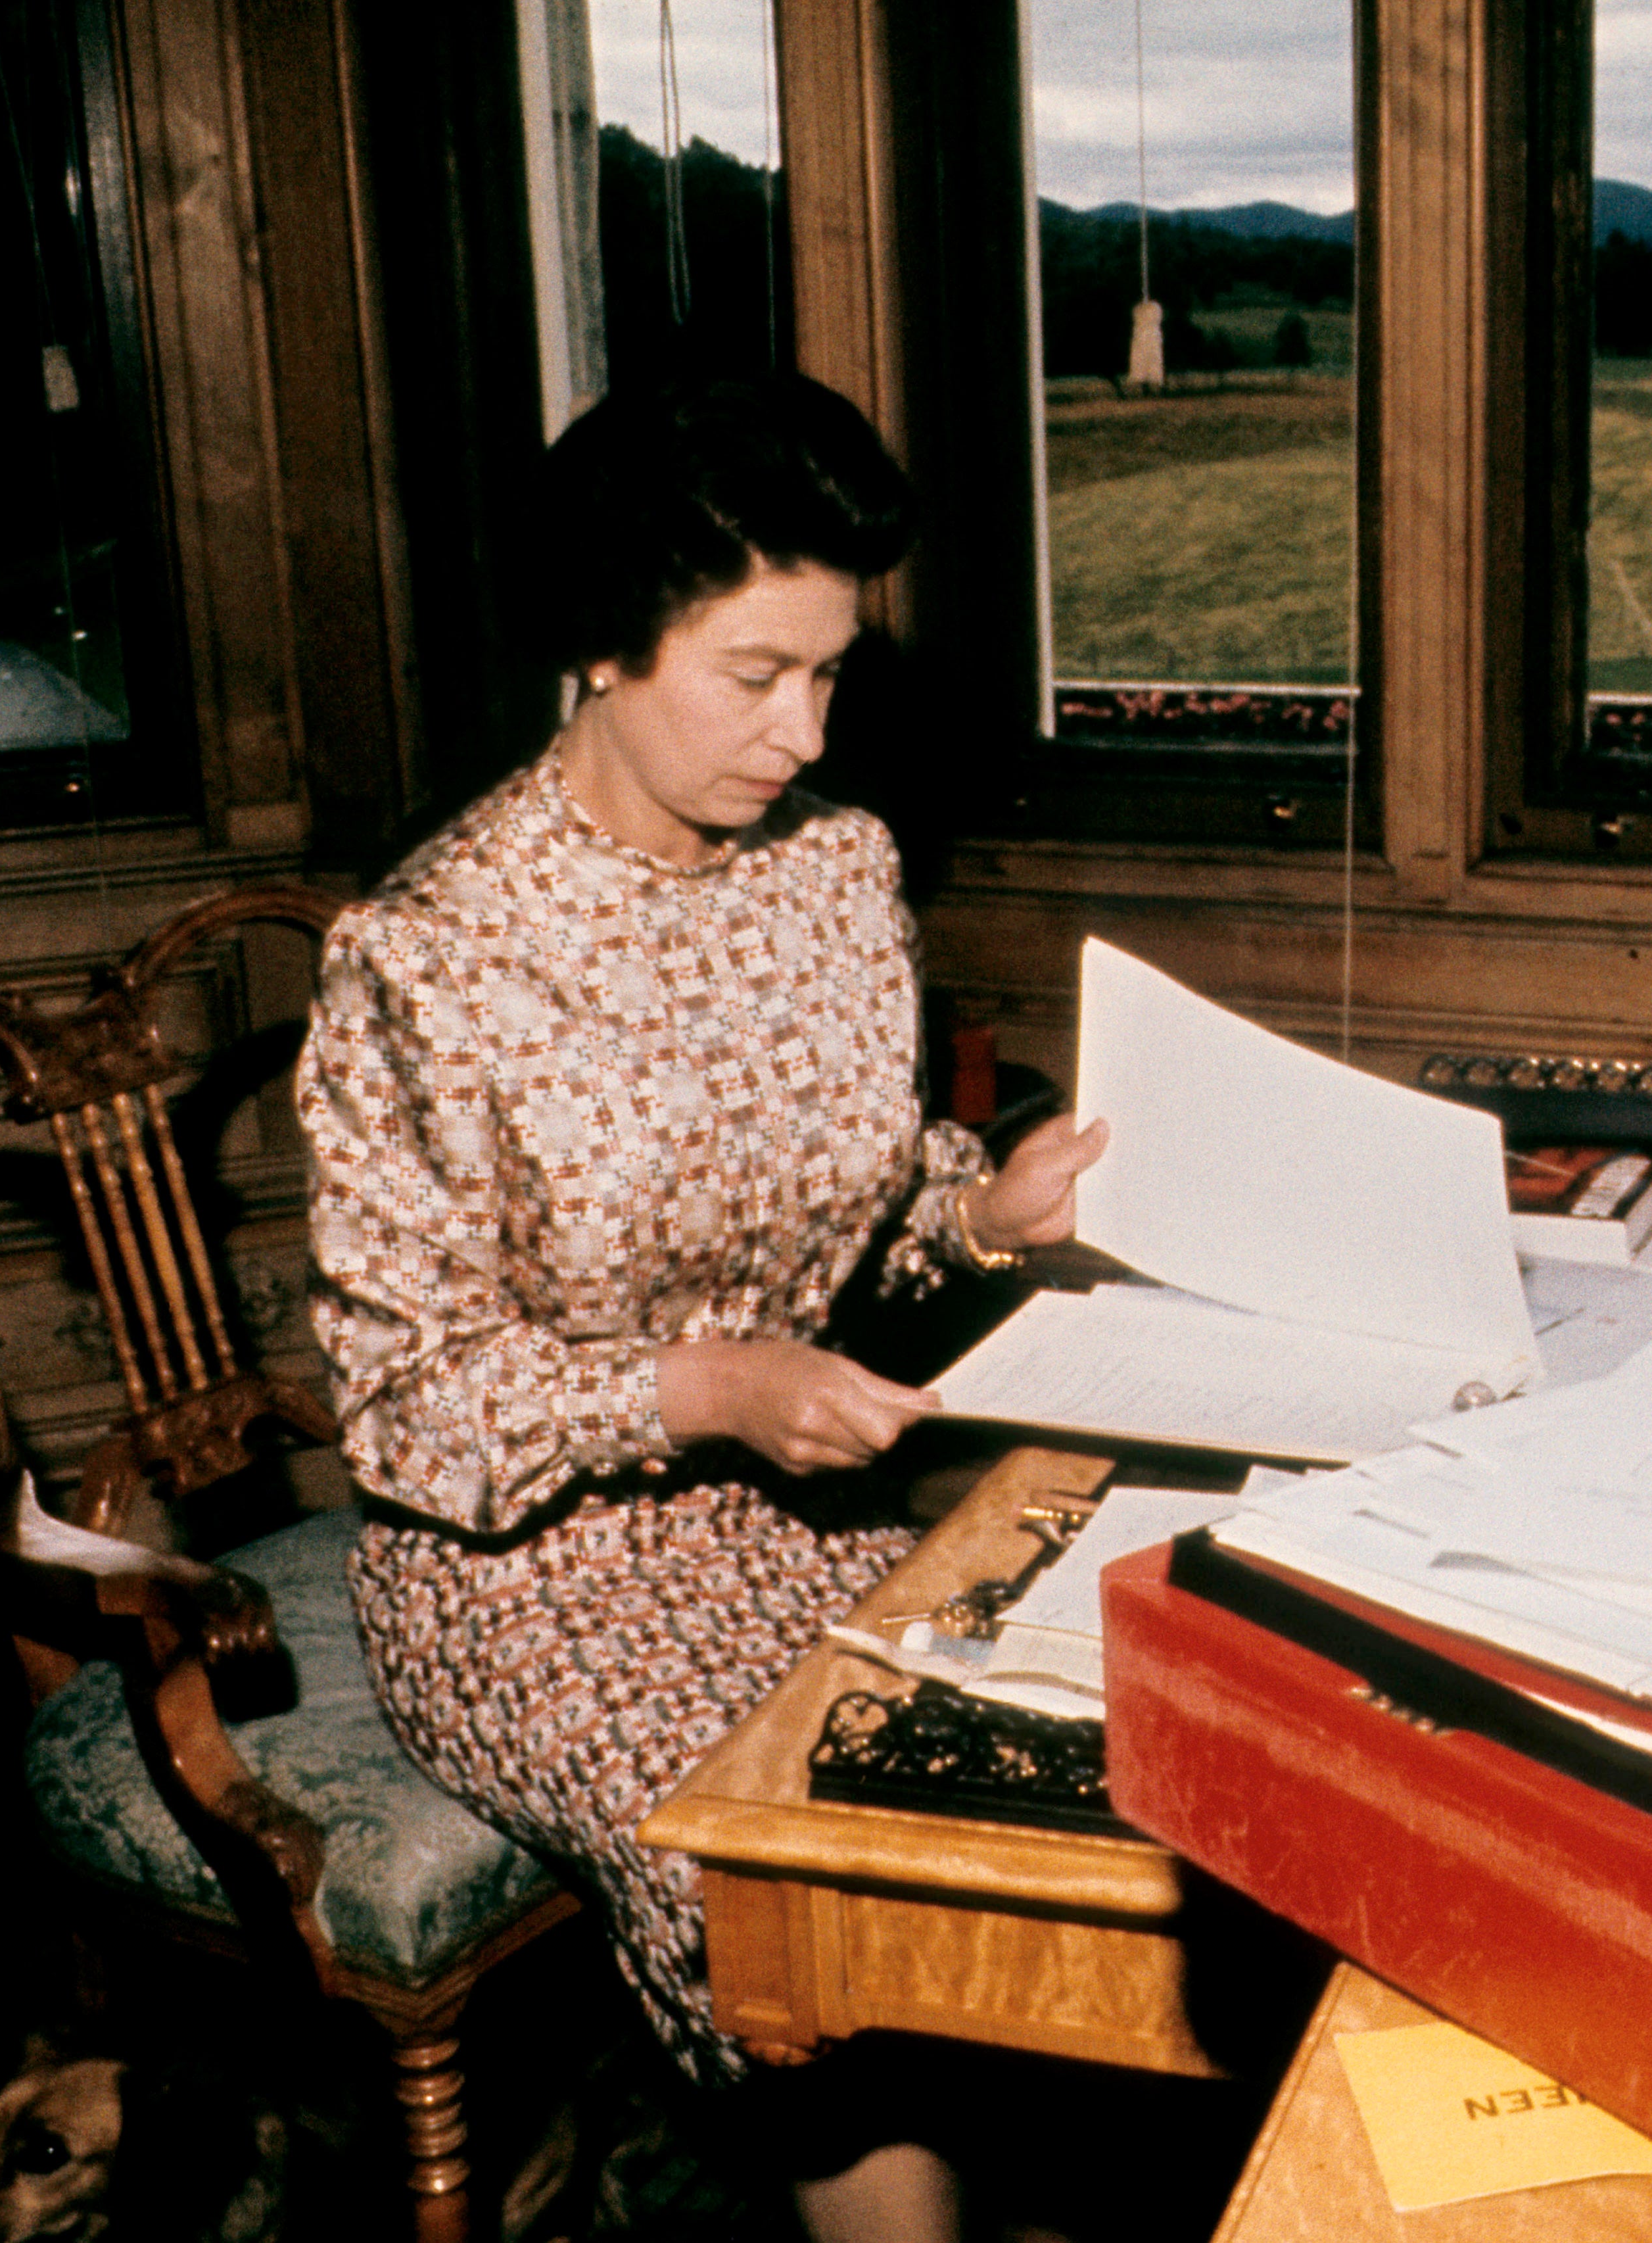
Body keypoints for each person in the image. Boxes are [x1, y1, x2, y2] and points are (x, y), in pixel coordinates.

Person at [296, 372, 1104, 2241]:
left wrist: (982, 1206)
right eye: (757, 674)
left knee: (1043, 1806)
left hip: (788, 1518)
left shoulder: (837, 869)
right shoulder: (431, 954)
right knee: (791, 1891)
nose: (805, 730)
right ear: (603, 640)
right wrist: (700, 1385)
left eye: (831, 675)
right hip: (523, 1583)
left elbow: (862, 1189)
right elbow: (411, 1412)